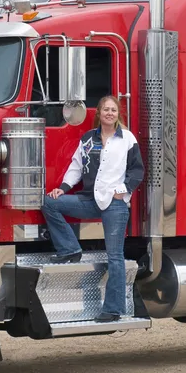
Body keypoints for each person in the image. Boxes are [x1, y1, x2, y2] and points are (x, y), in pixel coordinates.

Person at [41, 95, 144, 322]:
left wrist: (123, 190)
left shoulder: (127, 138)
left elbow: (137, 170)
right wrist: (62, 188)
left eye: (113, 110)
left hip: (115, 204)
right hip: (89, 200)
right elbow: (76, 167)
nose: (109, 113)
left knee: (115, 257)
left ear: (118, 114)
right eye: (106, 109)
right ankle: (70, 249)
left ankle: (113, 310)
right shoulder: (88, 138)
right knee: (49, 203)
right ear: (99, 113)